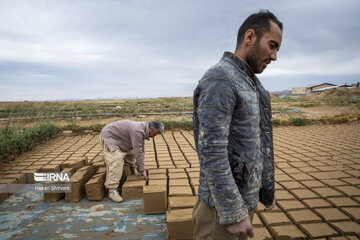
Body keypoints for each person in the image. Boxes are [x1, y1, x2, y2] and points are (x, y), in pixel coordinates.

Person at [192, 10, 283, 239]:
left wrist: (265, 186)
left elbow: (257, 142)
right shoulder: (221, 78)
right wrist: (233, 211)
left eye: (277, 50)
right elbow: (211, 151)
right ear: (249, 37)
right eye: (272, 46)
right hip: (220, 213)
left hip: (242, 204)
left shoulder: (252, 83)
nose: (274, 57)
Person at [99, 120, 164, 202]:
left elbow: (141, 149)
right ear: (150, 128)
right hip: (110, 137)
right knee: (116, 161)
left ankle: (132, 175)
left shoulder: (143, 129)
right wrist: (142, 170)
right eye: (155, 134)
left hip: (122, 139)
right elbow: (138, 152)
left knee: (131, 156)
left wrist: (141, 168)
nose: (154, 136)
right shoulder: (138, 131)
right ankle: (112, 191)